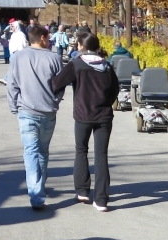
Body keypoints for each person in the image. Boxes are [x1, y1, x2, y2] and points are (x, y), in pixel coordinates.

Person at [51, 34, 120, 212]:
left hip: (83, 115)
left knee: (81, 150)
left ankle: (82, 190)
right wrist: (105, 102)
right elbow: (115, 90)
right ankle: (101, 200)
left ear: (81, 46)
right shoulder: (107, 66)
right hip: (104, 116)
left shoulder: (77, 64)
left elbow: (57, 83)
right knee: (101, 155)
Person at [6, 24, 63, 210]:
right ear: (43, 38)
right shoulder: (55, 58)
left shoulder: (17, 57)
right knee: (43, 151)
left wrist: (13, 106)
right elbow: (60, 85)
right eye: (48, 38)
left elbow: (12, 84)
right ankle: (40, 186)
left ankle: (36, 194)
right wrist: (55, 101)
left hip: (26, 110)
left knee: (31, 152)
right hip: (48, 111)